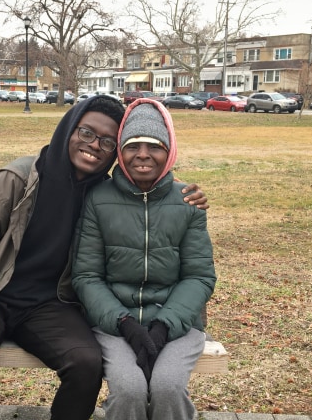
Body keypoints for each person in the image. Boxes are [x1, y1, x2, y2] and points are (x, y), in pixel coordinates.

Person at [0, 94, 208, 420]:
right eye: (86, 133)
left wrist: (179, 192)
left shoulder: (103, 192)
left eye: (107, 142)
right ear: (68, 129)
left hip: (50, 307)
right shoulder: (19, 179)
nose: (95, 145)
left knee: (86, 365)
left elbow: (146, 188)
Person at [71, 98, 217, 420]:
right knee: (129, 389)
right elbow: (86, 276)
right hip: (114, 326)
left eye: (155, 145)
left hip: (177, 325)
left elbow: (199, 276)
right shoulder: (98, 199)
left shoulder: (188, 202)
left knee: (167, 386)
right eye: (132, 145)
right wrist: (124, 323)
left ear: (170, 150)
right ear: (120, 152)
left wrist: (165, 325)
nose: (143, 155)